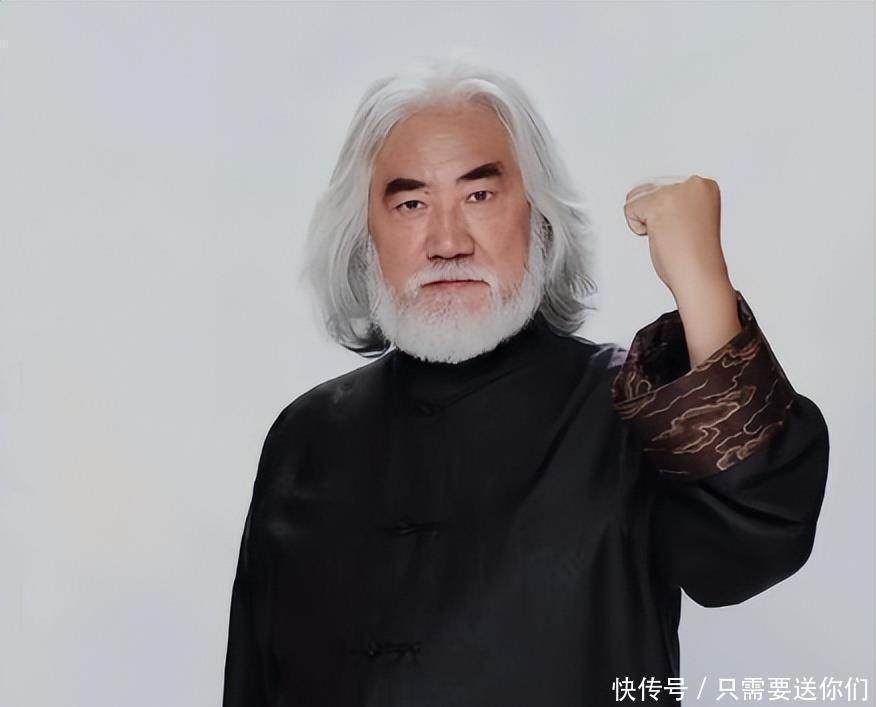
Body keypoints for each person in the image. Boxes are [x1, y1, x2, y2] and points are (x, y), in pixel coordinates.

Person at [221, 57, 829, 707]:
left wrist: (701, 280)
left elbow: (755, 536)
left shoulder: (625, 408)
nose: (447, 241)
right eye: (411, 203)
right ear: (365, 232)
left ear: (538, 216)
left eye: (479, 196)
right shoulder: (306, 437)